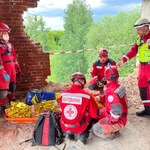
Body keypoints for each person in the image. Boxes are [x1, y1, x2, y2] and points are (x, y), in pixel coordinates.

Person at [117, 18, 150, 117]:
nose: (137, 32)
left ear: (145, 27)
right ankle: (147, 109)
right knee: (143, 88)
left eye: (139, 29)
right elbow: (132, 51)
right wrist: (123, 60)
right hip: (142, 68)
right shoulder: (139, 40)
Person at [59, 72, 99, 145]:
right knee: (91, 115)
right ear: (83, 82)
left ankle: (68, 135)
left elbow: (61, 110)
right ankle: (83, 136)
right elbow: (94, 114)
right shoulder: (86, 96)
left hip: (64, 126)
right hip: (79, 127)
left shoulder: (63, 94)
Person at [92, 64, 128, 140]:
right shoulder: (118, 86)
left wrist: (111, 121)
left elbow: (116, 111)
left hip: (118, 119)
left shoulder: (110, 92)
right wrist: (101, 98)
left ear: (105, 78)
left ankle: (112, 134)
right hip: (122, 115)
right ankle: (112, 127)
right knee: (98, 113)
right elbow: (115, 98)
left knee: (96, 129)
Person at [0, 22, 22, 104]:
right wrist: (2, 70)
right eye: (4, 33)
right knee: (3, 87)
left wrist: (17, 67)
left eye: (6, 33)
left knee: (12, 84)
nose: (6, 35)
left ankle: (11, 99)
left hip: (11, 67)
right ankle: (2, 104)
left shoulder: (9, 45)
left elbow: (14, 57)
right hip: (4, 69)